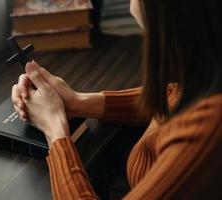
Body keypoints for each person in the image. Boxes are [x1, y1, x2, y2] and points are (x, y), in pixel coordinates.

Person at [11, 0, 222, 199]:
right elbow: (177, 94)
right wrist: (80, 102)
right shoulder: (205, 66)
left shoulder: (208, 131)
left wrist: (54, 130)